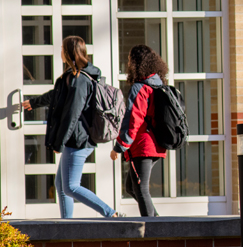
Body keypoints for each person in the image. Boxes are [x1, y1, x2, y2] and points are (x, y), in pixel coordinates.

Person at [22, 36, 123, 219]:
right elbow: (57, 95)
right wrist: (34, 103)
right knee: (61, 185)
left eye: (62, 48)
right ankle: (67, 224)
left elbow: (72, 114)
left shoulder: (80, 80)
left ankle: (110, 213)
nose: (60, 51)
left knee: (71, 186)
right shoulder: (71, 77)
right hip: (76, 138)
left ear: (69, 52)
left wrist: (59, 143)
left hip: (79, 139)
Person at [109, 45, 168, 217]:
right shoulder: (158, 83)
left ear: (135, 63)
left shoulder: (140, 87)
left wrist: (119, 147)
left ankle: (154, 231)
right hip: (155, 143)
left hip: (143, 145)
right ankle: (157, 221)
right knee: (131, 187)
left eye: (129, 60)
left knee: (141, 189)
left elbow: (133, 120)